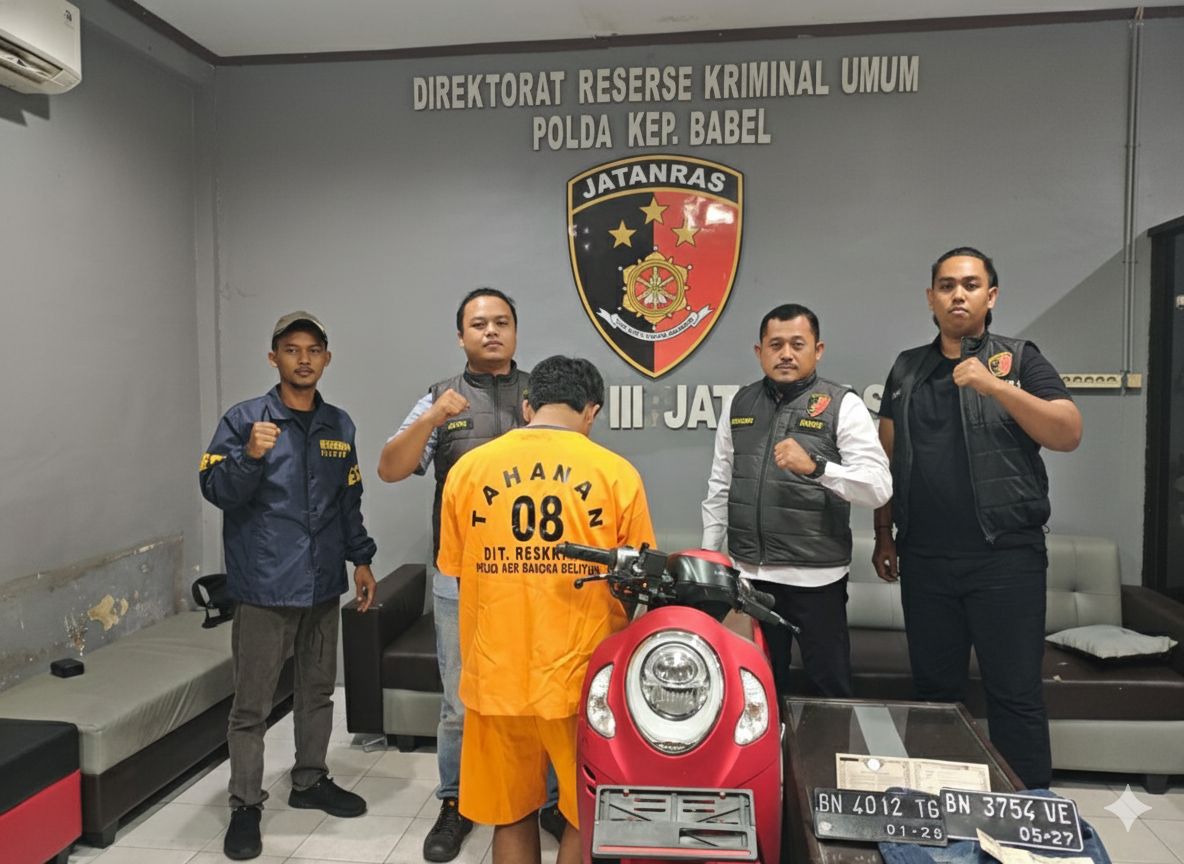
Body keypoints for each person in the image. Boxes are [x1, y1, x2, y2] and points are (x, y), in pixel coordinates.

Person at [872, 247, 1082, 789]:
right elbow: (885, 460)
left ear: (991, 296)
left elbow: (1067, 432)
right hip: (925, 560)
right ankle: (938, 806)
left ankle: (1028, 811)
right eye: (946, 286)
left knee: (1014, 694)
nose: (957, 295)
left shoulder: (1020, 358)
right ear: (931, 299)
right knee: (933, 696)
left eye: (969, 285)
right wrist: (882, 535)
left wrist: (996, 386)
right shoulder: (906, 368)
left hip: (1005, 560)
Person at [437, 355, 656, 864]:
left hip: (496, 674)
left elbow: (456, 569)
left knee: (511, 814)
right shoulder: (616, 474)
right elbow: (637, 579)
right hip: (581, 676)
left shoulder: (469, 470)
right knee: (582, 814)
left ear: (528, 406)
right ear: (591, 411)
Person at [378, 288, 563, 861]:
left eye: (501, 322)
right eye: (478, 324)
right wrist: (433, 418)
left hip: (536, 577)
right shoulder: (440, 397)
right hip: (461, 580)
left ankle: (549, 800)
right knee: (461, 701)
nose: (491, 331)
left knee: (543, 692)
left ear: (516, 331)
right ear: (460, 336)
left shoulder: (543, 394)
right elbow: (390, 468)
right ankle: (455, 801)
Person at [199, 311, 377, 861]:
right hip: (264, 587)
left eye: (313, 349)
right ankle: (245, 805)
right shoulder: (243, 420)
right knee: (251, 706)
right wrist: (249, 456)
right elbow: (216, 489)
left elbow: (348, 500)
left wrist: (362, 560)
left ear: (327, 358)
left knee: (317, 692)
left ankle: (309, 780)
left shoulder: (339, 425)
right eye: (292, 349)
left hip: (322, 585)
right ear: (273, 357)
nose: (304, 359)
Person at [702, 303, 891, 697]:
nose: (786, 354)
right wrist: (710, 558)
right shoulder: (740, 404)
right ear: (759, 352)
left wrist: (818, 468)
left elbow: (878, 487)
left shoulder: (842, 404)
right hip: (750, 579)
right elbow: (721, 485)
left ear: (818, 350)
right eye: (776, 345)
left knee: (829, 691)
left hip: (816, 580)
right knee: (755, 693)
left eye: (797, 344)